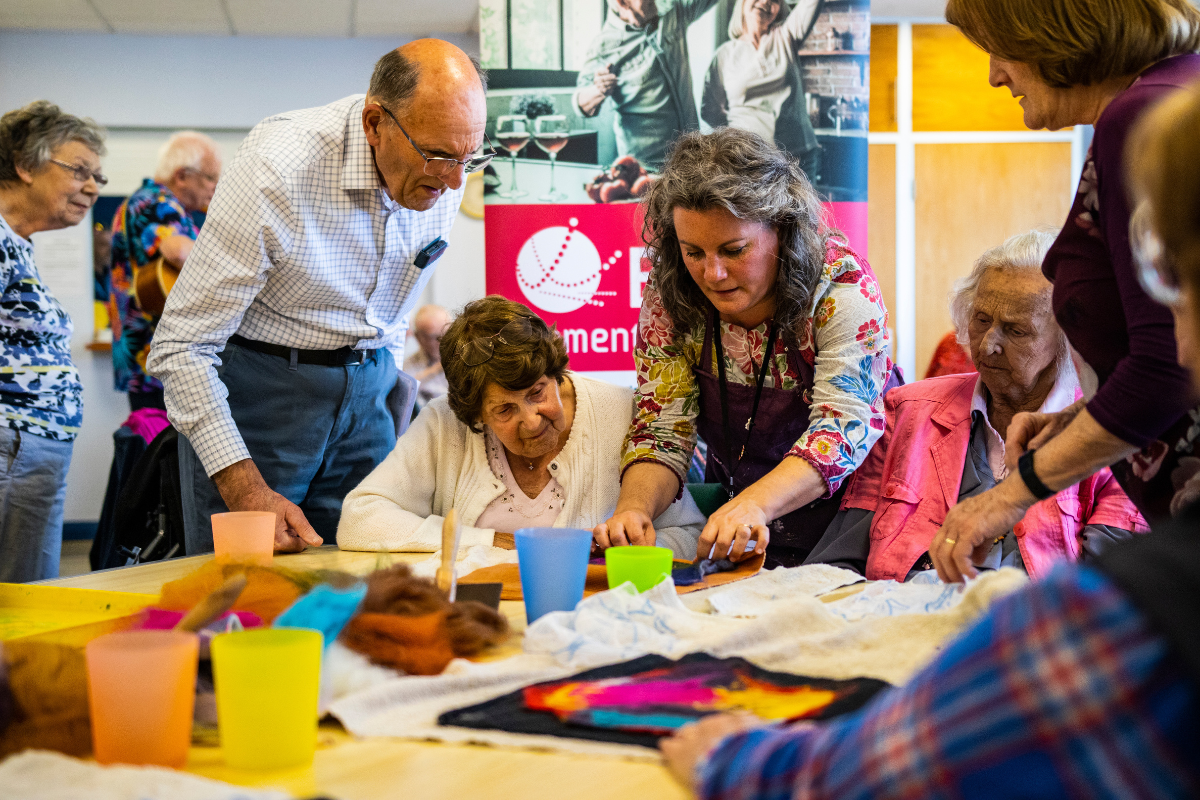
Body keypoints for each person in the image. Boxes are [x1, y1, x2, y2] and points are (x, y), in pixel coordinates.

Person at [658, 81, 1200, 795]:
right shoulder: (918, 409)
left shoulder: (1118, 585)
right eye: (981, 322)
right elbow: (845, 550)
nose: (991, 345)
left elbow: (876, 773)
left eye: (1166, 281)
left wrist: (738, 760)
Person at [147, 40, 493, 556]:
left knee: (361, 579)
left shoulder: (443, 175)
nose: (453, 181)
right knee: (248, 593)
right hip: (264, 399)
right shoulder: (279, 168)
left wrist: (387, 400)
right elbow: (181, 347)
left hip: (369, 403)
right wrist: (244, 486)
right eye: (438, 156)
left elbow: (391, 312)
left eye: (469, 158)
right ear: (375, 124)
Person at [932, 0, 1200, 584]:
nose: (995, 75)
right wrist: (1079, 422)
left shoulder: (1140, 118)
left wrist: (1009, 495)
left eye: (999, 50)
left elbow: (1168, 368)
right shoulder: (1178, 88)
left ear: (1051, 31)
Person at [594, 128, 898, 568]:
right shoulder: (672, 296)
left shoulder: (840, 290)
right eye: (692, 251)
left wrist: (754, 504)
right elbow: (663, 425)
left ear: (783, 230)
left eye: (734, 250)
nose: (713, 273)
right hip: (745, 496)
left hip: (856, 503)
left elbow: (841, 429)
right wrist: (633, 511)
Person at [807, 230, 1147, 579]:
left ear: (1067, 342)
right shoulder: (904, 412)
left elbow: (1105, 592)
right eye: (982, 320)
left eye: (1016, 331)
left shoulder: (1115, 440)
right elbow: (838, 564)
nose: (987, 345)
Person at [338, 296, 704, 555]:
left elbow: (689, 534)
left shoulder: (621, 411)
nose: (530, 420)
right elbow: (360, 518)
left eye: (537, 392)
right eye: (504, 410)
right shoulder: (445, 423)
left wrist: (627, 550)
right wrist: (492, 542)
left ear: (553, 371)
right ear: (476, 415)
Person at [0, 101, 106, 582]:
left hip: (29, 450)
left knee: (25, 602)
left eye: (97, 177)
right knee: (19, 608)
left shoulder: (16, 243)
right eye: (79, 170)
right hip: (12, 445)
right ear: (24, 164)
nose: (91, 187)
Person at [109, 131, 222, 412]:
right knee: (160, 452)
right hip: (161, 359)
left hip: (145, 357)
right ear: (182, 175)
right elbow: (180, 251)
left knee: (148, 444)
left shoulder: (138, 200)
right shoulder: (157, 202)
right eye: (210, 177)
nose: (215, 187)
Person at [574, 0, 718, 171]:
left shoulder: (673, 12)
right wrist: (598, 90)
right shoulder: (603, 45)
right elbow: (580, 105)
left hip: (691, 157)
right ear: (622, 3)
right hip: (645, 168)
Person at [701, 0, 821, 180]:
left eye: (774, 0)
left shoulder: (786, 37)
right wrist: (739, 137)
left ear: (779, 9)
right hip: (747, 162)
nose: (765, 2)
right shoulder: (724, 55)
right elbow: (710, 111)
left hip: (797, 158)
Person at [403, 303, 451, 409]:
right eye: (435, 337)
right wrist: (437, 368)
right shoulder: (409, 366)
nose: (443, 341)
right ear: (418, 338)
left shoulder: (466, 358)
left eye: (447, 333)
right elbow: (405, 390)